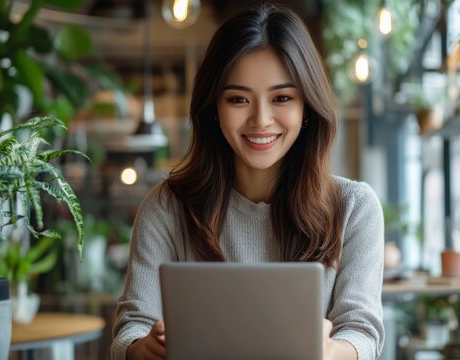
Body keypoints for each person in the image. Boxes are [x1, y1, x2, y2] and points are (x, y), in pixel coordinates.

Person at [111, 3, 385, 360]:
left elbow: (362, 331)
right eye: (238, 99)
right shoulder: (167, 206)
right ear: (214, 108)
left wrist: (331, 352)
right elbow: (130, 329)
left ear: (307, 107)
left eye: (281, 98)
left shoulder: (354, 207)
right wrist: (144, 348)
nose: (261, 119)